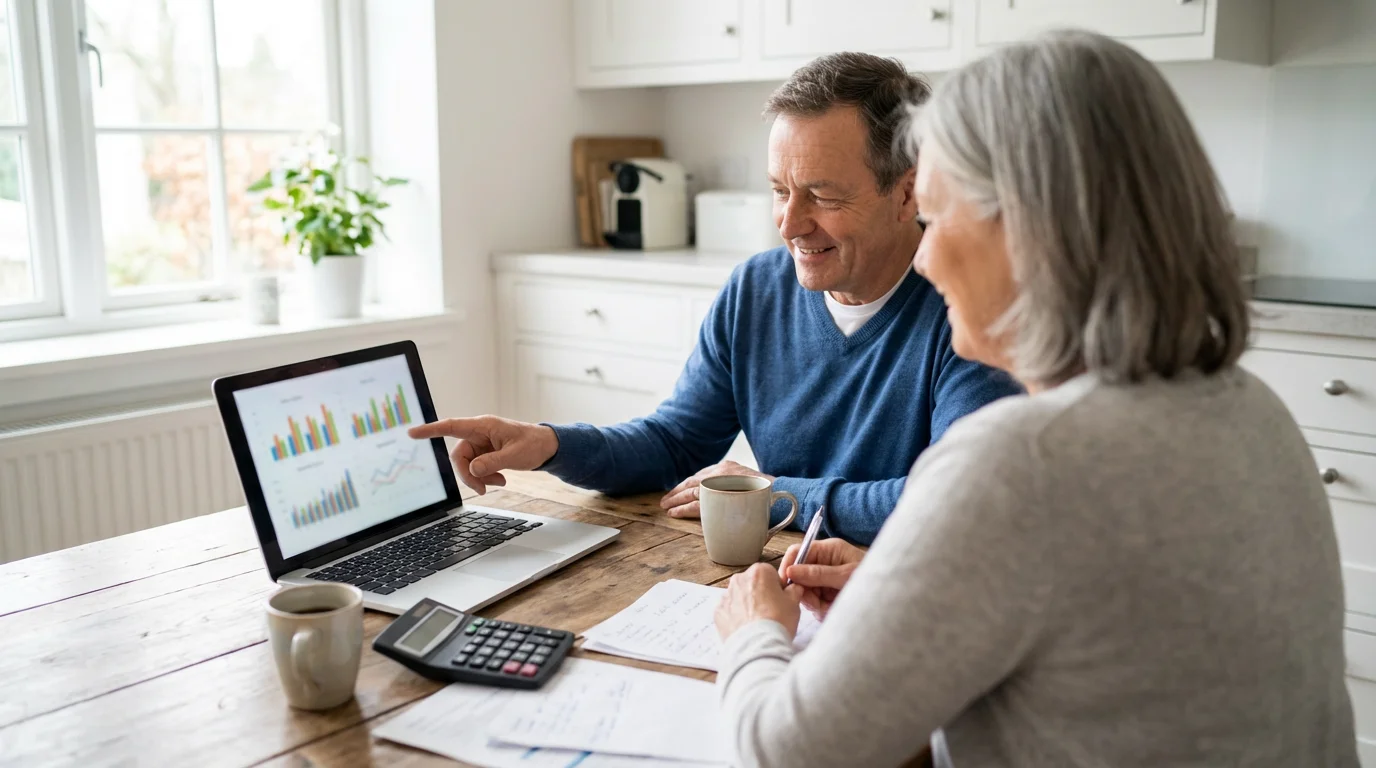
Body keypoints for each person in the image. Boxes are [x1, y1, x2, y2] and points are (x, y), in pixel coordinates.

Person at [713, 30, 1357, 768]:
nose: (924, 253)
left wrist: (756, 628)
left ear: (1033, 231)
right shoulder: (1251, 409)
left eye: (940, 214)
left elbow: (785, 753)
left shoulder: (1023, 460)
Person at [410, 52, 1019, 545]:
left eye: (823, 196)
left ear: (908, 195)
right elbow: (675, 444)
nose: (790, 223)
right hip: (781, 580)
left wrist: (774, 495)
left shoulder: (970, 303)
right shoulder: (756, 289)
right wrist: (551, 444)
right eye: (780, 190)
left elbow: (952, 501)